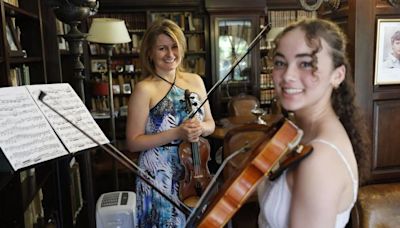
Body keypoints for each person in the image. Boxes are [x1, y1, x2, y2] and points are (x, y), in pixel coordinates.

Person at [257, 18, 369, 228]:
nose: (287, 76)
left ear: (337, 75)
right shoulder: (298, 131)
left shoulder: (319, 160)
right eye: (281, 62)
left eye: (306, 64)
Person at [126, 19, 215, 228]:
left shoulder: (195, 81)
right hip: (158, 176)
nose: (170, 54)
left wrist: (201, 128)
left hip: (195, 174)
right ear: (150, 52)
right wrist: (177, 132)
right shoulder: (144, 89)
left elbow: (210, 123)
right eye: (162, 48)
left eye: (174, 46)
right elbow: (133, 142)